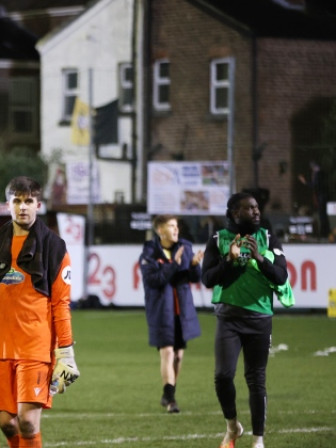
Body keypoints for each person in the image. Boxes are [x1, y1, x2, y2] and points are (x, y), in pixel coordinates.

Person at [0, 176, 79, 448]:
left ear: (39, 204)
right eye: (17, 201)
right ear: (7, 204)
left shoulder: (55, 248)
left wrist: (65, 352)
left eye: (29, 201)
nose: (23, 207)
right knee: (7, 423)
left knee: (28, 422)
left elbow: (61, 304)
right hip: (3, 351)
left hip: (36, 349)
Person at [201, 192, 294, 448]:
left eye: (256, 208)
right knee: (222, 376)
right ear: (234, 213)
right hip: (228, 318)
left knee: (256, 379)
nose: (256, 212)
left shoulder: (268, 238)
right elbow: (207, 279)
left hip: (260, 319)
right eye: (249, 208)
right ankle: (232, 426)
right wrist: (230, 260)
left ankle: (258, 441)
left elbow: (281, 276)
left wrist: (259, 258)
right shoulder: (218, 239)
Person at [138, 214, 203, 413]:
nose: (176, 229)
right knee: (167, 352)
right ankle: (171, 398)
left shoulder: (185, 247)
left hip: (181, 310)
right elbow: (154, 280)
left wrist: (193, 265)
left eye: (176, 226)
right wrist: (174, 264)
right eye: (171, 226)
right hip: (161, 310)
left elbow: (193, 278)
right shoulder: (149, 252)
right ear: (160, 230)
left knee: (178, 356)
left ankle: (169, 392)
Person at [298, 160, 331, 240]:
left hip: (321, 196)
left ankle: (324, 232)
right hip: (321, 196)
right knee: (322, 215)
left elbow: (314, 185)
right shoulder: (320, 174)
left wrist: (305, 182)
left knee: (322, 215)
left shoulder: (318, 174)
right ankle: (325, 232)